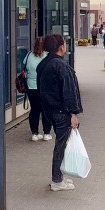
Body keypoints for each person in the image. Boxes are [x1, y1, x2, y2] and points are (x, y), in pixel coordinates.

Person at [37, 34, 82, 191]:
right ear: (61, 47)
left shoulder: (43, 64)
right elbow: (69, 92)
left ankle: (58, 176)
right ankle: (57, 180)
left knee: (61, 145)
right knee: (61, 146)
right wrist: (73, 114)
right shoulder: (61, 66)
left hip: (49, 111)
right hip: (61, 112)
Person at [24, 36, 52, 142]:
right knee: (45, 109)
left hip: (31, 87)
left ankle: (34, 133)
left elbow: (24, 67)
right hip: (44, 87)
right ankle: (46, 132)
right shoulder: (47, 56)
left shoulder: (28, 55)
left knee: (34, 110)